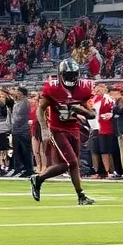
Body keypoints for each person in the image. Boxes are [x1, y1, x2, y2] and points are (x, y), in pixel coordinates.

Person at [30, 59, 95, 205]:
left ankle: (79, 195)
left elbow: (91, 114)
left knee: (73, 164)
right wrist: (44, 128)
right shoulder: (52, 88)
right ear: (60, 74)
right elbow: (41, 108)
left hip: (74, 129)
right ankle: (80, 195)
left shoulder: (84, 88)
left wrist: (78, 110)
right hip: (57, 129)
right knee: (70, 162)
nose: (71, 79)